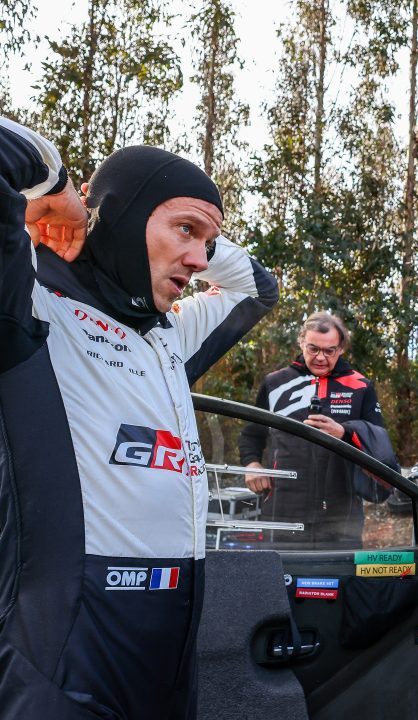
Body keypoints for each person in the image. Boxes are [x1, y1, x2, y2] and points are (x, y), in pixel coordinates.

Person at [0, 117, 278, 719]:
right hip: (63, 668)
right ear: (119, 216)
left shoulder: (167, 334)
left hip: (168, 663)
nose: (199, 260)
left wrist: (196, 230)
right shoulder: (29, 300)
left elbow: (258, 289)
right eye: (185, 229)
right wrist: (58, 189)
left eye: (208, 244)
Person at [238, 312, 396, 549]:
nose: (321, 357)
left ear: (340, 349)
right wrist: (251, 464)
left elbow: (379, 443)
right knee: (281, 572)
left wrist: (344, 433)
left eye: (329, 351)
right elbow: (252, 434)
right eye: (313, 349)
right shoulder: (274, 383)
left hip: (342, 515)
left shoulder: (360, 386)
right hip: (282, 510)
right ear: (301, 342)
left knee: (339, 573)